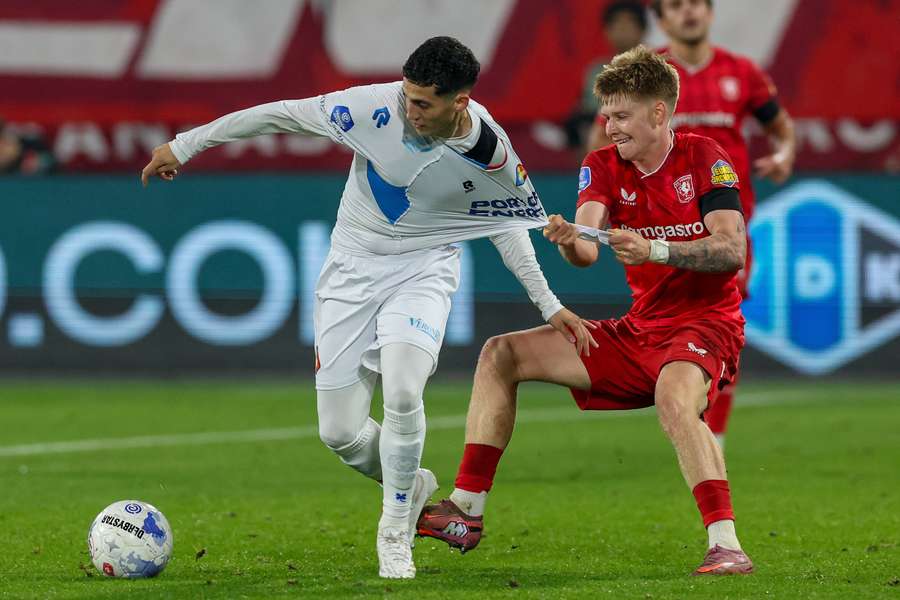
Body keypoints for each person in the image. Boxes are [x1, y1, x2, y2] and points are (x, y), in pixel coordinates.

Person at [140, 36, 595, 579]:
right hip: (351, 271)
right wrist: (184, 146)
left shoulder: (491, 152)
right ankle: (413, 483)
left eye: (424, 102)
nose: (410, 109)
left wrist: (550, 305)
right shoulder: (371, 108)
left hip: (424, 270)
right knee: (340, 433)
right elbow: (278, 115)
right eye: (408, 95)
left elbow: (503, 224)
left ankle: (394, 533)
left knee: (404, 390)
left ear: (461, 102)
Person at [417, 45, 754, 576]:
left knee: (674, 397)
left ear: (658, 113)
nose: (610, 125)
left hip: (705, 326)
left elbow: (731, 250)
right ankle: (466, 508)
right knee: (501, 353)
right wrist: (567, 240)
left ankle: (726, 544)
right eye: (607, 114)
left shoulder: (704, 156)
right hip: (638, 330)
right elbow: (587, 249)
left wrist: (655, 250)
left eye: (621, 115)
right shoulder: (600, 165)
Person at [587, 0, 796, 445]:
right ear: (662, 19)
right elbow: (603, 133)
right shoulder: (649, 75)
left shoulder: (742, 73)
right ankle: (682, 406)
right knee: (665, 320)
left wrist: (784, 155)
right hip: (659, 224)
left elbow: (781, 127)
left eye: (697, 5)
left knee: (723, 313)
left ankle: (709, 432)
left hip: (724, 224)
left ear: (710, 13)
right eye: (676, 7)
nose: (689, 14)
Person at [565, 1, 648, 155]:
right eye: (616, 24)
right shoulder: (597, 72)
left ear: (642, 30)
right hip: (608, 151)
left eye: (629, 23)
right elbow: (588, 117)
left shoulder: (658, 70)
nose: (623, 29)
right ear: (606, 32)